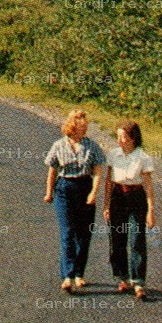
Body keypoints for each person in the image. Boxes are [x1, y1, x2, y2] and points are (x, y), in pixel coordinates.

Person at [42, 108, 105, 292]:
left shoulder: (92, 146)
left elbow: (98, 172)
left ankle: (79, 273)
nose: (81, 130)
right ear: (71, 126)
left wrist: (94, 193)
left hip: (84, 187)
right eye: (78, 126)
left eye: (84, 127)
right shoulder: (59, 145)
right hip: (64, 189)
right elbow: (52, 170)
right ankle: (67, 275)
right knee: (67, 232)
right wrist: (49, 192)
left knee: (83, 234)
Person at [103, 120, 155, 300]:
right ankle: (122, 277)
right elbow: (108, 181)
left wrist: (151, 210)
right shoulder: (113, 154)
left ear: (133, 138)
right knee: (117, 239)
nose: (120, 140)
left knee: (137, 240)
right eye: (118, 136)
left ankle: (138, 281)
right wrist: (106, 205)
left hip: (136, 198)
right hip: (118, 197)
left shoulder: (143, 157)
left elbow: (148, 186)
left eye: (123, 137)